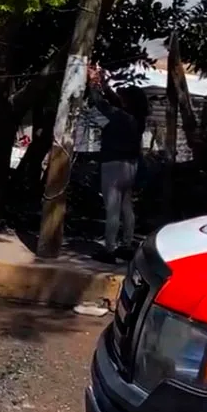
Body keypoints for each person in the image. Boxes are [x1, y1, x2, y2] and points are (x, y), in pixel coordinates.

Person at [88, 64, 150, 263]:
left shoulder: (120, 116)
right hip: (130, 166)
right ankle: (126, 245)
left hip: (113, 165)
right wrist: (104, 84)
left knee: (112, 208)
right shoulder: (137, 119)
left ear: (128, 102)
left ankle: (109, 249)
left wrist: (92, 83)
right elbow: (114, 101)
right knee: (126, 207)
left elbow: (100, 103)